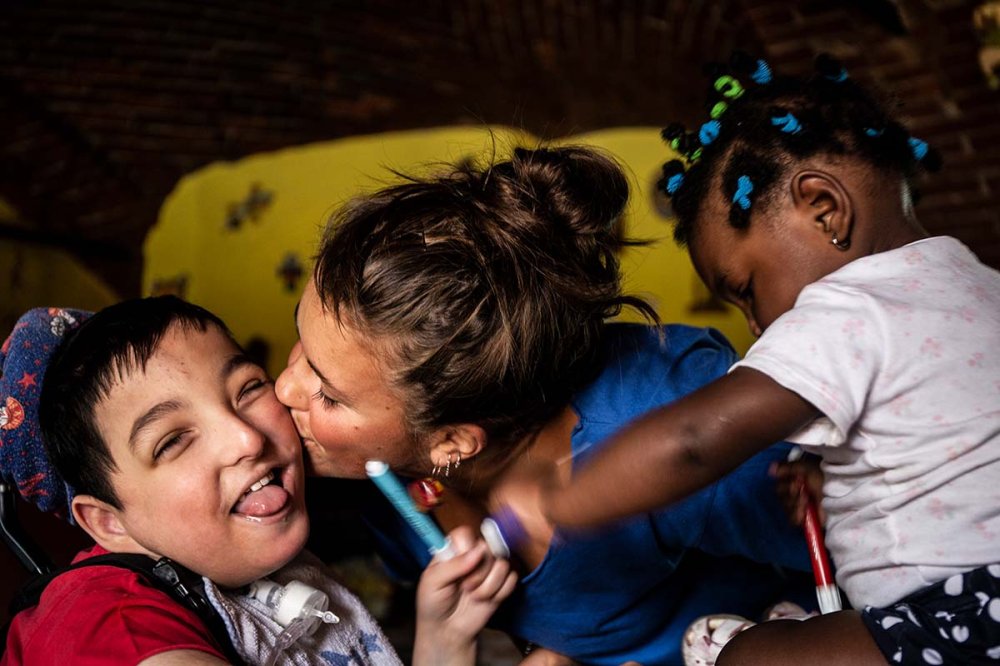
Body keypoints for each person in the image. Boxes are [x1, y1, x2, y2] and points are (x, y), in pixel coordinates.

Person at [275, 145, 814, 666]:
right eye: (300, 343)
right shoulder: (387, 480)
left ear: (453, 441)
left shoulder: (668, 418)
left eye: (327, 392)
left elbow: (881, 581)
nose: (283, 390)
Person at [542, 53, 1000, 666]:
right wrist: (831, 483)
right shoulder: (979, 286)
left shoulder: (846, 309)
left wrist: (567, 498)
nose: (756, 327)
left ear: (824, 208)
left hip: (961, 615)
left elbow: (693, 440)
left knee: (744, 658)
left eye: (746, 289)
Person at [0, 299, 515, 666]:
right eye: (172, 441)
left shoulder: (249, 565)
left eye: (247, 389)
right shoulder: (103, 620)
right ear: (108, 522)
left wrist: (442, 645)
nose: (245, 437)